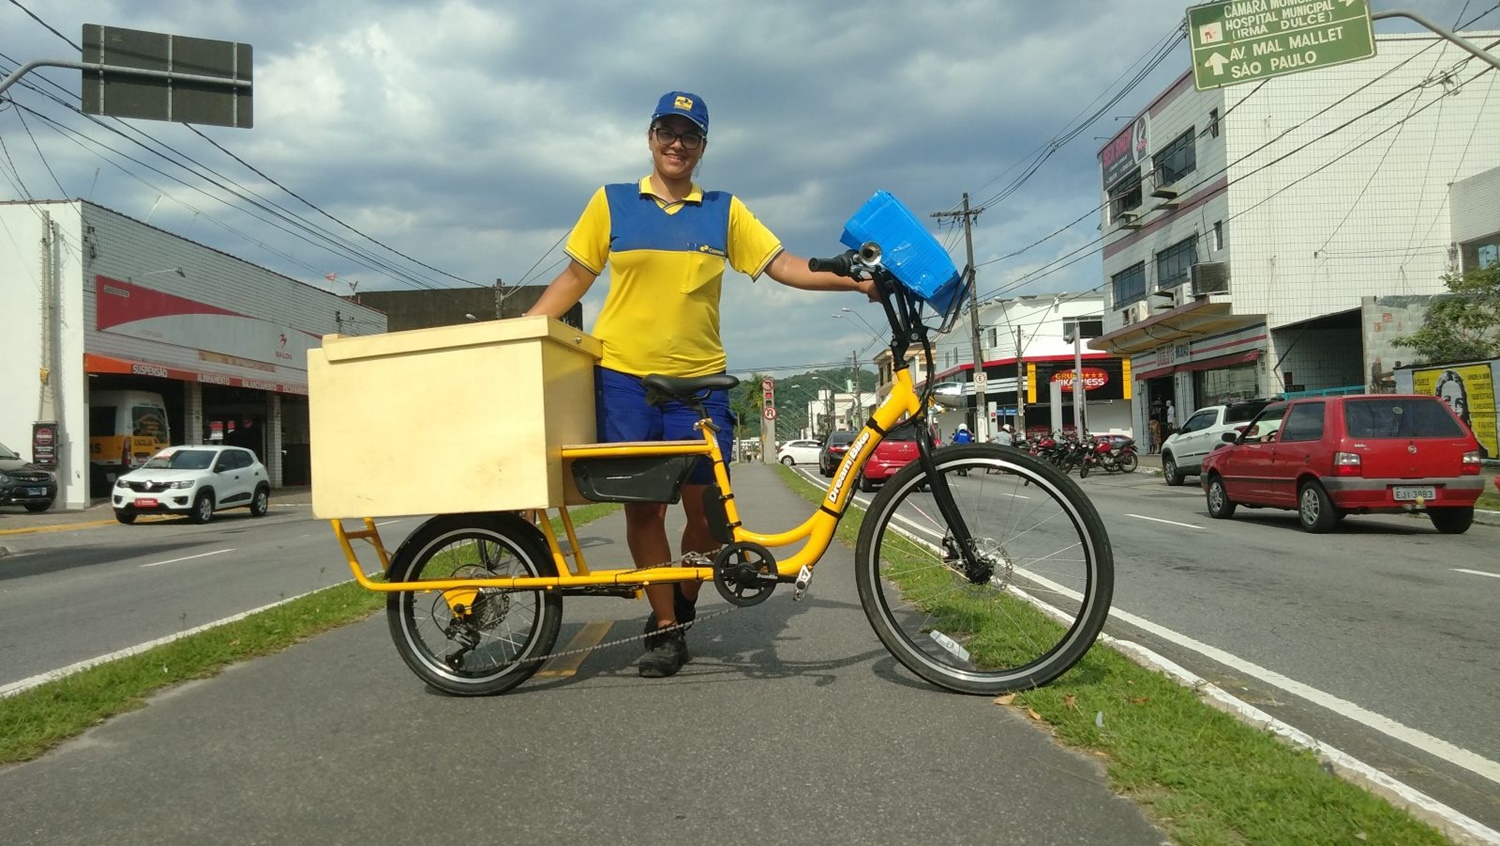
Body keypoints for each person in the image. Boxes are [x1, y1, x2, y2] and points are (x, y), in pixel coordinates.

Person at [525, 91, 877, 678]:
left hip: (701, 383)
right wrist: (521, 335)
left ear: (702, 148)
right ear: (650, 136)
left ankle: (681, 600)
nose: (677, 143)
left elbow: (783, 264)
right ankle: (664, 627)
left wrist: (854, 281)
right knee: (643, 510)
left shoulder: (723, 210)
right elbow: (575, 278)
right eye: (668, 130)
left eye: (690, 135)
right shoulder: (611, 203)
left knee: (708, 513)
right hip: (625, 380)